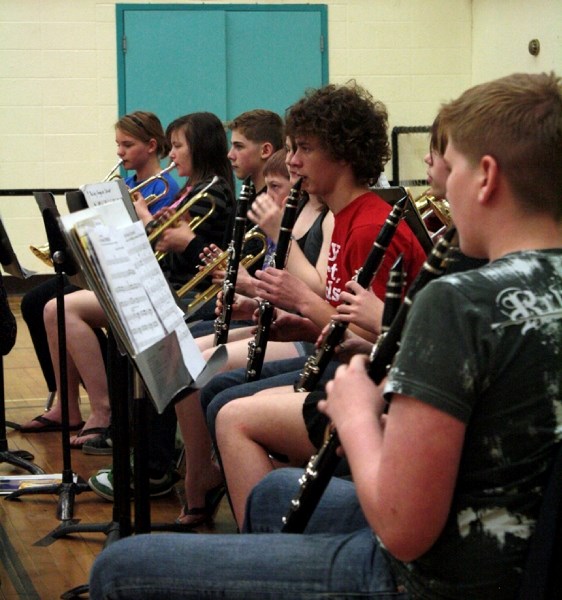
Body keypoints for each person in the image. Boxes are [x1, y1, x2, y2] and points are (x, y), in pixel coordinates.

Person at [90, 71, 562, 600]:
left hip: (429, 575)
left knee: (120, 568)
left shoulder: (458, 302)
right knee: (272, 491)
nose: (442, 186)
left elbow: (404, 529)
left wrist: (357, 413)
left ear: (487, 177)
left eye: (453, 168)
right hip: (515, 548)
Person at [20, 112, 234, 454]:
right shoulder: (196, 189)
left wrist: (150, 225)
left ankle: (107, 413)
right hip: (163, 285)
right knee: (47, 303)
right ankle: (79, 407)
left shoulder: (209, 193)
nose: (171, 153)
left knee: (59, 307)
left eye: (177, 146)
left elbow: (189, 261)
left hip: (177, 294)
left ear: (200, 148)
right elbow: (174, 256)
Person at [19, 111, 178, 425]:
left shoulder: (165, 189)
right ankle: (66, 404)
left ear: (151, 145)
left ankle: (104, 408)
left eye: (127, 144)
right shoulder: (125, 184)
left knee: (56, 307)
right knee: (33, 301)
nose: (119, 152)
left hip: (135, 278)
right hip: (107, 272)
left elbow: (154, 247)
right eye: (118, 144)